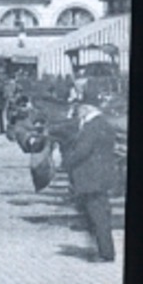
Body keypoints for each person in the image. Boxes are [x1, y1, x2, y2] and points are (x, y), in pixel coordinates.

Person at [58, 86, 119, 262]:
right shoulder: (103, 124)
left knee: (98, 215)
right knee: (100, 213)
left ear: (87, 108)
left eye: (80, 108)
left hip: (92, 178)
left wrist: (65, 162)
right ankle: (104, 250)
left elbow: (82, 151)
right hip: (101, 176)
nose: (78, 111)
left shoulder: (92, 127)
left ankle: (106, 254)